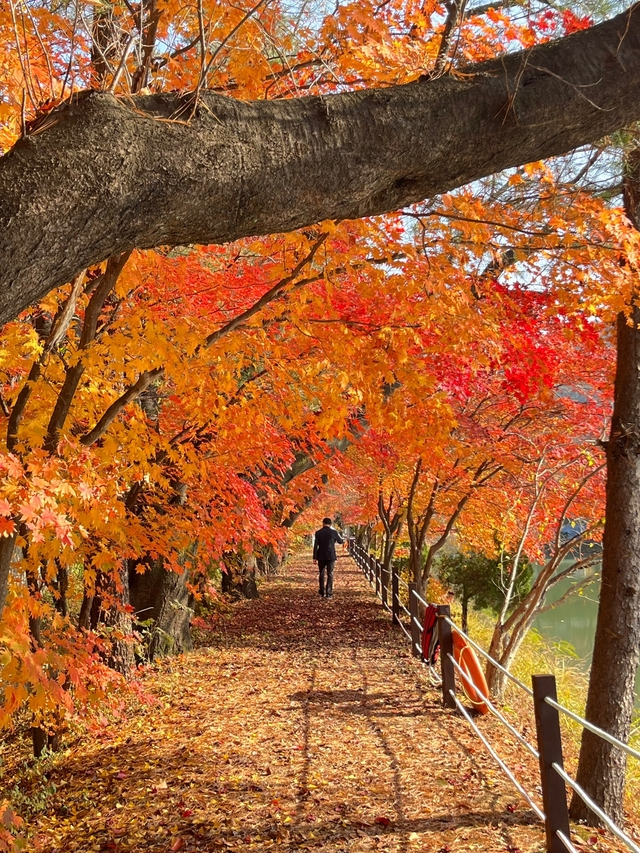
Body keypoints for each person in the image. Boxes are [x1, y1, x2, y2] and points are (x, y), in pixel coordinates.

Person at [313, 517, 344, 598]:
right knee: (330, 573)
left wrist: (315, 557)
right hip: (331, 556)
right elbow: (340, 541)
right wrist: (344, 540)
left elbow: (316, 545)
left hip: (321, 555)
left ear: (323, 523)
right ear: (330, 524)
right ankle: (329, 592)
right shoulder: (333, 532)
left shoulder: (318, 533)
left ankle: (321, 591)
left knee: (321, 573)